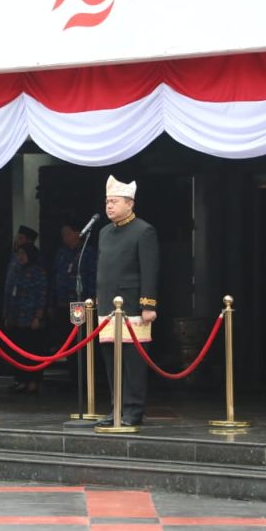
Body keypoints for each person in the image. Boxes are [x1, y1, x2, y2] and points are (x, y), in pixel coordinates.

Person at [95, 175, 159, 427]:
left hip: (132, 305)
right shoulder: (104, 232)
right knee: (112, 361)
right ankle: (117, 407)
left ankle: (133, 409)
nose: (109, 206)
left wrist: (148, 305)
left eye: (115, 201)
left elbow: (149, 269)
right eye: (107, 201)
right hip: (108, 306)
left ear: (129, 203)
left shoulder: (143, 230)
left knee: (133, 362)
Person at [50, 214, 98, 390]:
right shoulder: (61, 253)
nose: (64, 237)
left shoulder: (87, 252)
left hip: (80, 304)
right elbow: (55, 277)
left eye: (67, 233)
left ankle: (84, 381)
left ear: (78, 233)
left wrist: (91, 298)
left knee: (81, 342)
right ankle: (73, 378)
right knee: (67, 342)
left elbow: (92, 276)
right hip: (63, 303)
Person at [4, 243, 48, 395]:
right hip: (17, 318)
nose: (20, 257)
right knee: (19, 350)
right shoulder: (16, 271)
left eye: (23, 253)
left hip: (31, 317)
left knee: (33, 350)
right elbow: (10, 293)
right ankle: (22, 380)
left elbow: (42, 294)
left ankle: (34, 382)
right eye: (18, 254)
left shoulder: (38, 272)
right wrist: (8, 314)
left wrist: (38, 316)